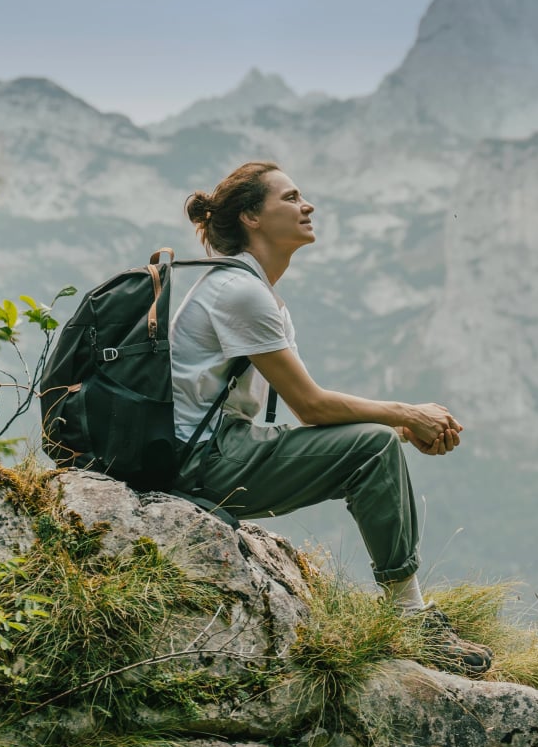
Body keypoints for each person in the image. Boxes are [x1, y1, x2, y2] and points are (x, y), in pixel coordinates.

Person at [169, 160, 492, 677]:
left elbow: (311, 410)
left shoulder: (256, 292)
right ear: (252, 217)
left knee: (373, 444)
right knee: (371, 447)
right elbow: (312, 406)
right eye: (291, 197)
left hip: (215, 451)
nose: (307, 205)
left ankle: (409, 613)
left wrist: (398, 427)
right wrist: (402, 413)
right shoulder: (240, 292)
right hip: (202, 464)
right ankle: (410, 619)